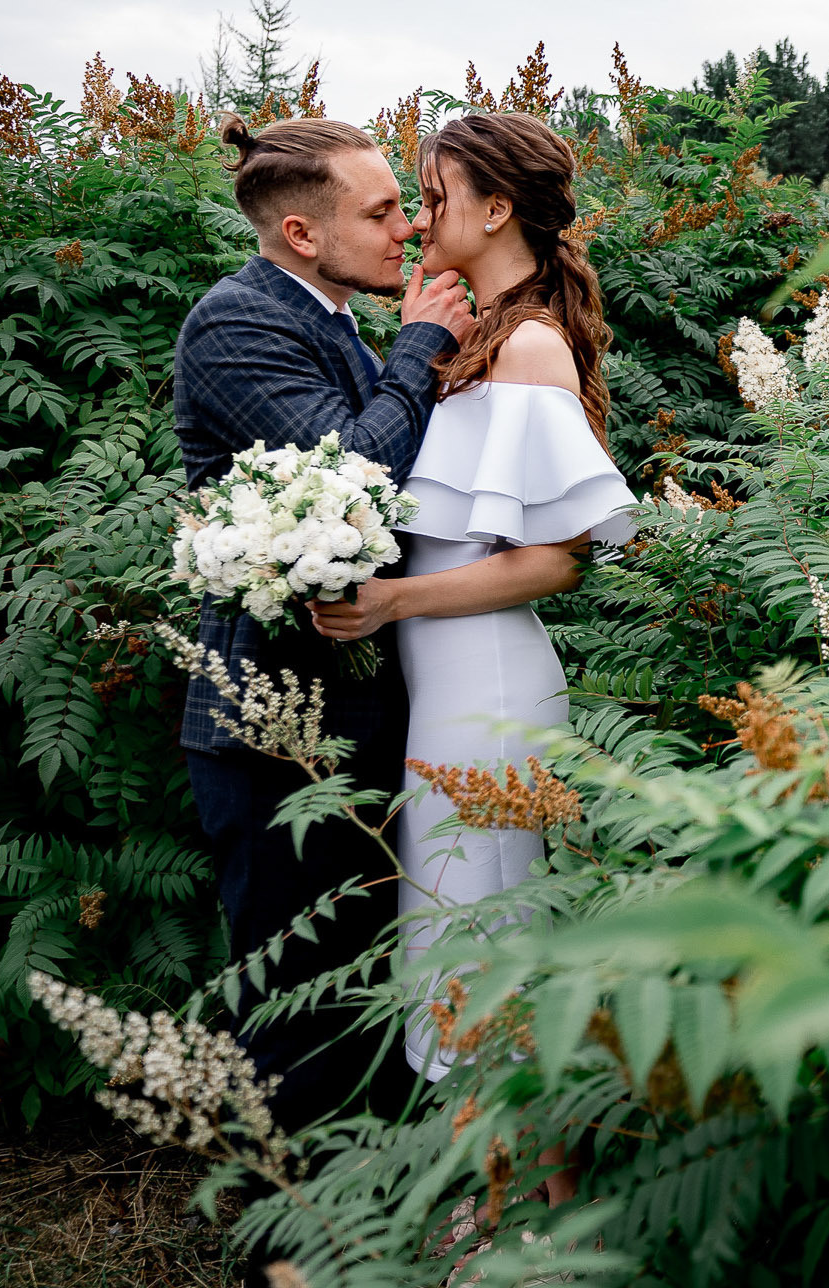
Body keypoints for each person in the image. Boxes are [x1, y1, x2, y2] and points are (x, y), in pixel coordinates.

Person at [306, 111, 634, 1203]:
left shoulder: (531, 343)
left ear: (497, 211)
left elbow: (555, 562)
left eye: (435, 195)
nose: (419, 214)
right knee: (460, 943)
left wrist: (394, 595)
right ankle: (504, 1208)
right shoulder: (476, 339)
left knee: (484, 945)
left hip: (488, 682)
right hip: (448, 681)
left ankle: (522, 1228)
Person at [171, 115, 475, 1132]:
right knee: (299, 1020)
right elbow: (349, 473)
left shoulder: (334, 316)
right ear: (304, 233)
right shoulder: (235, 321)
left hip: (360, 714)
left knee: (370, 1000)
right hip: (271, 733)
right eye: (383, 212)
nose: (409, 232)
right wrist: (425, 348)